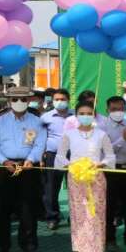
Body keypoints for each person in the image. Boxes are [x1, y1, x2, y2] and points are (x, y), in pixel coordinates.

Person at [0, 86, 46, 252]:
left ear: (29, 101)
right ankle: (1, 244)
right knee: (3, 207)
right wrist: (3, 161)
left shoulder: (37, 121)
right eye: (14, 99)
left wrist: (31, 159)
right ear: (8, 101)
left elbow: (40, 144)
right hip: (4, 167)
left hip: (28, 167)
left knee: (28, 206)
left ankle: (29, 244)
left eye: (23, 99)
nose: (19, 102)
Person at [55, 102, 115, 252]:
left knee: (94, 214)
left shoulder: (101, 135)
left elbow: (110, 156)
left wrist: (100, 164)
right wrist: (70, 165)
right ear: (76, 115)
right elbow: (60, 156)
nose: (85, 116)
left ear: (94, 115)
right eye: (82, 113)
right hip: (76, 178)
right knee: (78, 214)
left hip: (96, 178)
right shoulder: (69, 134)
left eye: (89, 113)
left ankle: (93, 251)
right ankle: (80, 249)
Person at [99, 95, 126, 251]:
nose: (118, 112)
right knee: (110, 206)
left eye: (121, 109)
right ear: (107, 110)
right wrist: (123, 140)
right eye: (114, 109)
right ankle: (110, 239)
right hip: (111, 169)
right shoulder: (102, 127)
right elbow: (104, 151)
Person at [40, 88, 73, 230]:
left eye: (63, 99)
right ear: (52, 101)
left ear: (68, 100)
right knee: (51, 187)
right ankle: (52, 217)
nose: (60, 102)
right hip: (53, 155)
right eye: (57, 99)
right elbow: (41, 138)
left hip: (74, 155)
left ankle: (75, 216)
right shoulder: (45, 117)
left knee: (75, 186)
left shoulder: (76, 115)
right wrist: (41, 156)